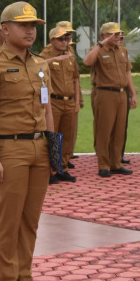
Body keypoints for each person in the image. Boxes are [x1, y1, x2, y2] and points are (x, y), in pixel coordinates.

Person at [0, 2, 57, 281]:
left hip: (39, 148)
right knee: (8, 220)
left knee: (30, 219)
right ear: (4, 29)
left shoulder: (40, 63)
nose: (30, 30)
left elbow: (47, 108)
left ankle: (25, 278)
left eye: (33, 25)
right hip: (10, 149)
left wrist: (53, 151)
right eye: (23, 25)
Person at [84, 21, 137, 177]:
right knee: (104, 130)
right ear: (103, 35)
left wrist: (132, 94)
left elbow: (128, 73)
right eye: (112, 34)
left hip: (121, 93)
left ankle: (116, 163)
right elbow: (87, 62)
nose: (117, 36)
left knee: (119, 130)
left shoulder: (122, 50)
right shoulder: (98, 50)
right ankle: (104, 165)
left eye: (118, 33)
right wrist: (103, 43)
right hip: (105, 93)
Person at [38, 20, 82, 181]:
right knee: (52, 137)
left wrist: (77, 101)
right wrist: (56, 59)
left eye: (66, 38)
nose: (65, 42)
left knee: (67, 137)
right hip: (54, 101)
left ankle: (62, 167)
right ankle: (49, 170)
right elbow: (38, 67)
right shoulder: (46, 54)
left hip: (69, 101)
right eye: (61, 39)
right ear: (52, 40)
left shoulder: (70, 52)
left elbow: (76, 78)